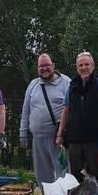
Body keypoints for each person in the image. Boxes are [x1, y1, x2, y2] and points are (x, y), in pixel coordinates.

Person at [57, 51, 98, 185]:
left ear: (93, 66)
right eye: (80, 65)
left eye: (87, 64)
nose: (84, 68)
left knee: (97, 176)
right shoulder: (72, 86)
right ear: (77, 68)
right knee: (75, 177)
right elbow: (66, 110)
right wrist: (60, 134)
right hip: (74, 140)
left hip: (95, 140)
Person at [19, 53, 71, 185]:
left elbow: (72, 109)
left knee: (63, 172)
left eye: (47, 65)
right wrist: (22, 133)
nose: (44, 69)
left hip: (58, 137)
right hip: (37, 137)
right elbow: (26, 111)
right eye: (41, 66)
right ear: (37, 68)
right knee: (42, 174)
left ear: (53, 66)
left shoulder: (66, 83)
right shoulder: (33, 85)